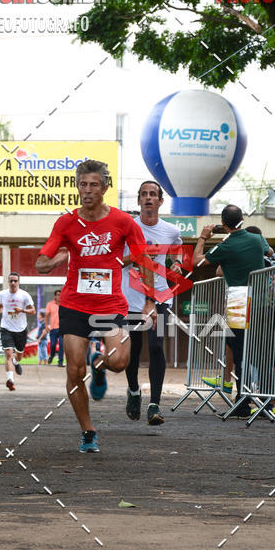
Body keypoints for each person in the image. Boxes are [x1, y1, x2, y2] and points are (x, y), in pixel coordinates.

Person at [36, 159, 156, 453]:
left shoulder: (123, 222)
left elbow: (143, 259)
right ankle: (88, 431)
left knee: (119, 362)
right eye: (82, 185)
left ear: (104, 187)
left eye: (93, 185)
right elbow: (41, 262)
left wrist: (151, 300)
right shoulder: (65, 223)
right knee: (74, 372)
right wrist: (54, 261)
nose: (86, 191)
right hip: (75, 304)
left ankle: (99, 365)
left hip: (110, 304)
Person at [194, 205, 270, 417]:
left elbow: (197, 262)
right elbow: (269, 252)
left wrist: (202, 238)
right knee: (262, 353)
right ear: (243, 219)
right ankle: (266, 402)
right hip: (261, 303)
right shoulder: (256, 239)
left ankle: (243, 403)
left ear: (224, 224)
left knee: (240, 354)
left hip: (238, 305)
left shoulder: (226, 245)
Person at [122, 180, 182, 426]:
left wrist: (176, 263)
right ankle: (134, 391)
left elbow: (177, 249)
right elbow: (116, 259)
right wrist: (133, 257)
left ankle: (155, 404)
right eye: (144, 194)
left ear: (160, 201)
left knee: (157, 347)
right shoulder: (126, 228)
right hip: (131, 299)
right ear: (138, 201)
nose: (148, 198)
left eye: (153, 194)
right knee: (133, 352)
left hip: (159, 297)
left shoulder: (171, 230)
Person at [0, 273, 36, 391]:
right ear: (8, 282)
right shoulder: (2, 294)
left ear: (18, 282)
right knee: (8, 354)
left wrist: (22, 310)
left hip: (20, 329)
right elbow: (1, 306)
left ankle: (16, 362)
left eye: (15, 281)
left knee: (19, 355)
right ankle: (10, 380)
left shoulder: (24, 295)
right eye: (11, 281)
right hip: (6, 327)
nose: (13, 283)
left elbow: (33, 311)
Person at [45, 288, 64, 366]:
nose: (59, 296)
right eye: (58, 295)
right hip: (53, 328)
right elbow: (46, 315)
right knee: (52, 345)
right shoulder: (50, 304)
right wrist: (46, 326)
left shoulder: (64, 304)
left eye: (61, 295)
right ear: (55, 296)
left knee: (62, 345)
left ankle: (60, 362)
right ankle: (52, 356)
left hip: (62, 328)